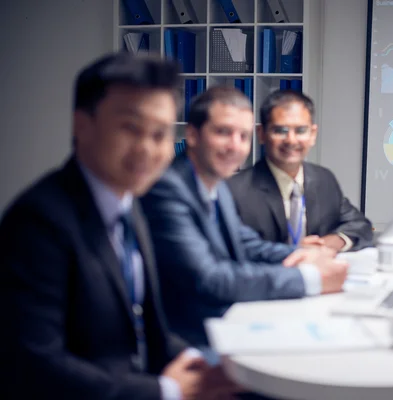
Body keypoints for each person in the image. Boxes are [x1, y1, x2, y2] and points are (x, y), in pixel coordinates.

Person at [0, 53, 239, 399]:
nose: (147, 149)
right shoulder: (38, 222)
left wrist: (193, 363)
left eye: (160, 134)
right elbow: (34, 366)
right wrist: (166, 391)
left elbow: (147, 330)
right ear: (82, 125)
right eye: (130, 128)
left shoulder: (129, 203)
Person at [139, 87, 348, 346]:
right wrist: (310, 278)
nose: (235, 147)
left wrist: (301, 255)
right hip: (188, 340)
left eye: (243, 136)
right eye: (223, 132)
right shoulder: (167, 188)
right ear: (192, 135)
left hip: (226, 322)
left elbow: (246, 243)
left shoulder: (215, 182)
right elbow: (210, 278)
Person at [227, 90, 373, 252]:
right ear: (261, 134)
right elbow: (234, 253)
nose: (291, 140)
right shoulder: (234, 191)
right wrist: (294, 252)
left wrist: (330, 243)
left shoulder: (324, 180)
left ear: (313, 134)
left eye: (301, 130)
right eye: (280, 131)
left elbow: (360, 225)